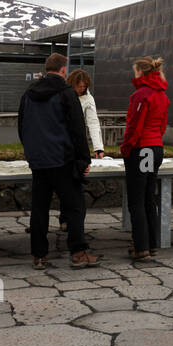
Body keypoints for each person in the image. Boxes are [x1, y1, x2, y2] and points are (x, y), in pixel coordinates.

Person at [18, 54, 98, 269]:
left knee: (39, 208)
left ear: (46, 69)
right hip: (63, 159)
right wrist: (84, 160)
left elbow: (22, 126)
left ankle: (39, 255)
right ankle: (78, 252)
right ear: (64, 70)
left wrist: (31, 152)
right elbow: (77, 129)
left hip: (39, 160)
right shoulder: (67, 94)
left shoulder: (29, 94)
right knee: (74, 207)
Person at [120, 56, 168, 262]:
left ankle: (141, 247)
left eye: (135, 71)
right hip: (156, 147)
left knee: (136, 200)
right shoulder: (162, 95)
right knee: (149, 197)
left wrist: (126, 148)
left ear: (140, 72)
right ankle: (151, 243)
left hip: (141, 149)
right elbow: (162, 125)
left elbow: (134, 126)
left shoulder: (140, 95)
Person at [59, 69, 106, 234]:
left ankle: (72, 222)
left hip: (77, 145)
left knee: (75, 182)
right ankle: (65, 218)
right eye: (79, 86)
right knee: (64, 183)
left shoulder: (88, 99)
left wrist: (98, 147)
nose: (81, 89)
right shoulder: (62, 95)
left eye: (84, 86)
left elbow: (93, 122)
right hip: (61, 145)